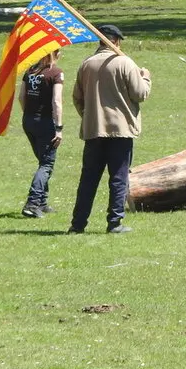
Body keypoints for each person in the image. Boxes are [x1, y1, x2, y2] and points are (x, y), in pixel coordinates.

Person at [69, 25, 151, 234]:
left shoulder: (86, 64)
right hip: (120, 130)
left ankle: (77, 224)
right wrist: (146, 77)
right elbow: (140, 94)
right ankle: (114, 222)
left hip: (93, 130)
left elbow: (77, 98)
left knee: (88, 179)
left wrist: (88, 117)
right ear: (116, 41)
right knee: (118, 177)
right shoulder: (125, 63)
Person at [18, 48, 64, 218]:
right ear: (56, 54)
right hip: (46, 123)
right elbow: (57, 102)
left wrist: (30, 115)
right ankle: (32, 203)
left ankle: (43, 202)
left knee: (42, 161)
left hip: (28, 121)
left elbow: (21, 97)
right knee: (46, 164)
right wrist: (58, 128)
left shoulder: (30, 71)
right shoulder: (56, 73)